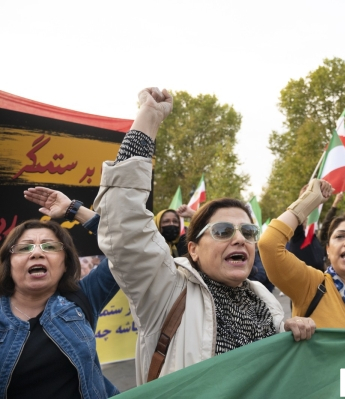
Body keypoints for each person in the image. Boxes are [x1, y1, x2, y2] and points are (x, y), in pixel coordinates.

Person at [93, 87, 314, 385]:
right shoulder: (167, 291)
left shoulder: (263, 298)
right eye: (223, 231)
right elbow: (124, 222)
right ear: (193, 249)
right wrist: (148, 119)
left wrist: (289, 332)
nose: (240, 239)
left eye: (248, 232)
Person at [259, 179, 345, 335]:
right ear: (328, 250)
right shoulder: (310, 284)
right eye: (340, 236)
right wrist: (308, 200)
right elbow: (269, 245)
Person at [0, 219, 120, 398]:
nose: (37, 253)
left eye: (49, 247)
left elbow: (127, 246)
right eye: (25, 248)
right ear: (9, 264)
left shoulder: (84, 296)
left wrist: (75, 209)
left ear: (65, 264)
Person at [285, 184, 326, 271]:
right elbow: (297, 215)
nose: (305, 220)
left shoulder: (314, 238)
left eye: (307, 218)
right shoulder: (297, 237)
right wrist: (302, 199)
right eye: (302, 219)